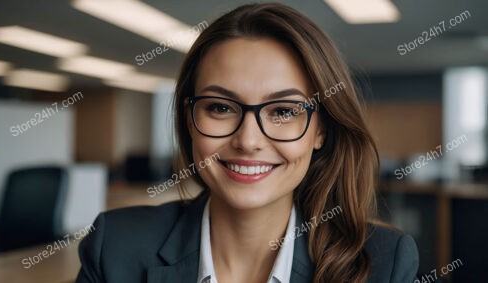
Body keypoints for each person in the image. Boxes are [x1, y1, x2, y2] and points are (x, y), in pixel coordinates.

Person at [76, 3, 419, 283]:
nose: (248, 141)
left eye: (283, 111)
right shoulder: (116, 247)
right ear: (189, 119)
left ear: (321, 131)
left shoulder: (384, 263)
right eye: (221, 108)